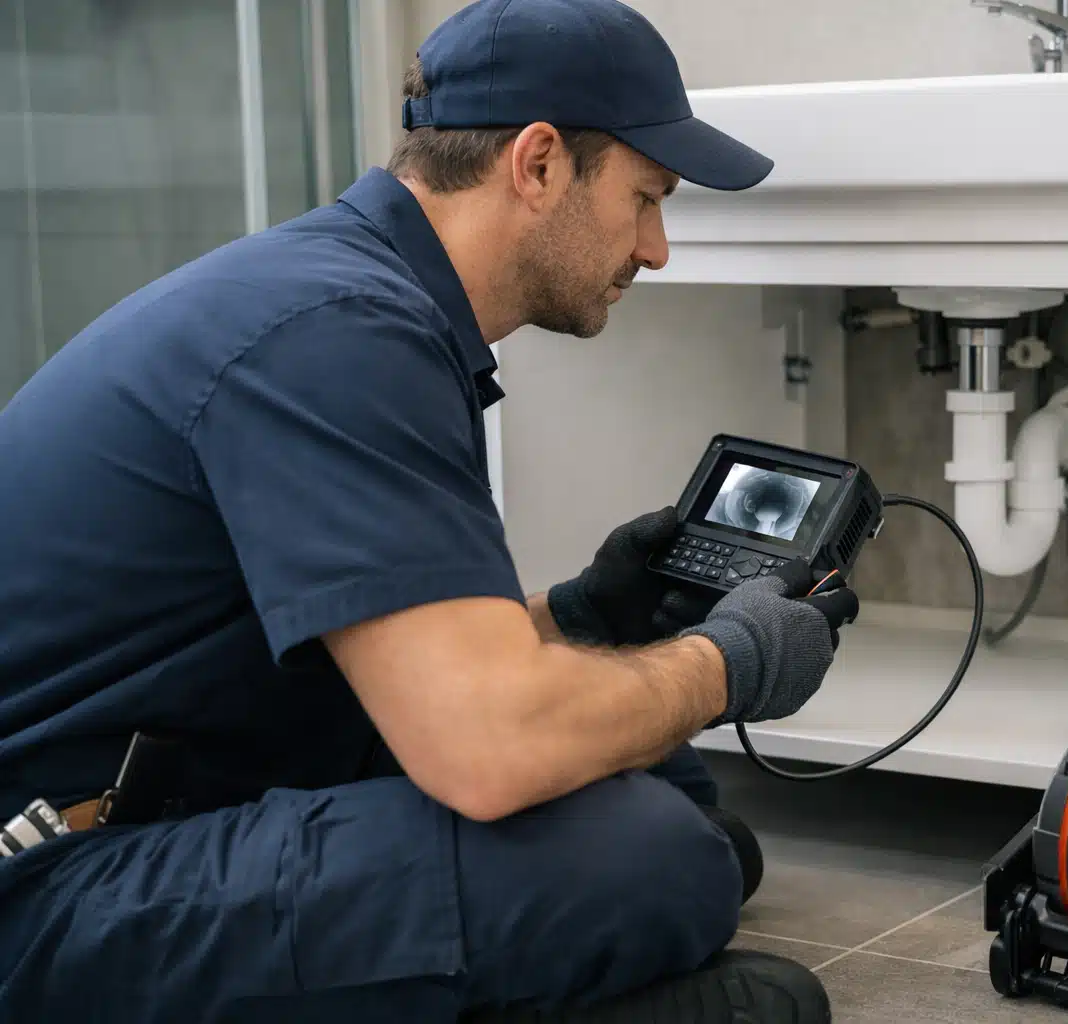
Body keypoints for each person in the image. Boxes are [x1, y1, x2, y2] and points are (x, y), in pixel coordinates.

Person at [0, 1, 859, 1021]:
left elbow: (378, 654)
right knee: (647, 853)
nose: (657, 247)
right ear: (538, 165)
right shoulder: (337, 337)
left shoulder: (347, 294)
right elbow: (491, 750)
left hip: (184, 768)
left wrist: (580, 614)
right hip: (49, 882)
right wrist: (733, 665)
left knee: (678, 805)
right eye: (645, 198)